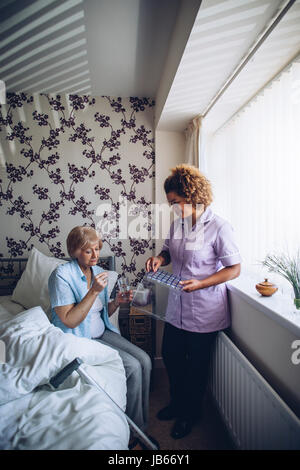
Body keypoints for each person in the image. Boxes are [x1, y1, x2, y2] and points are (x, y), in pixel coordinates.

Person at [146, 164, 242, 439]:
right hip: (177, 307)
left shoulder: (220, 227)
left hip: (205, 310)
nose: (173, 208)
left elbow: (234, 269)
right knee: (173, 358)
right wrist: (158, 259)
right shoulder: (178, 224)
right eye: (170, 204)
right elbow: (167, 251)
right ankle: (177, 404)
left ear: (191, 195)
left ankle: (190, 414)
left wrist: (201, 283)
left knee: (195, 368)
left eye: (175, 202)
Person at [48, 225, 152, 440]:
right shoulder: (61, 275)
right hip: (78, 336)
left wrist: (117, 302)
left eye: (97, 249)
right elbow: (69, 320)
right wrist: (94, 291)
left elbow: (102, 311)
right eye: (89, 250)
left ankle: (141, 425)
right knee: (132, 367)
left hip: (102, 331)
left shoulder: (97, 272)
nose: (96, 255)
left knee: (145, 360)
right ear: (75, 250)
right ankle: (134, 432)